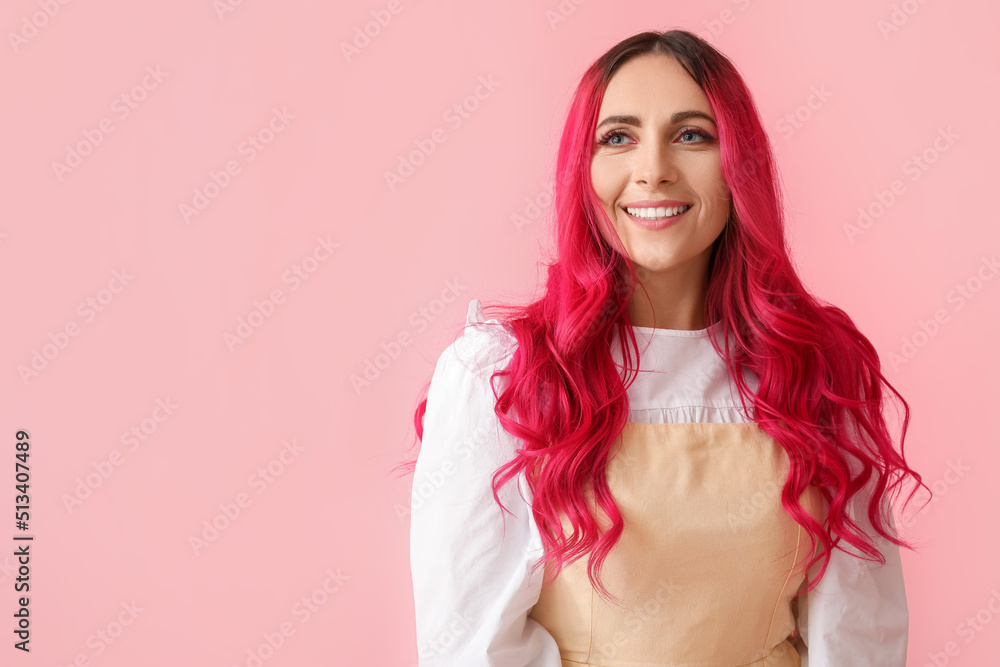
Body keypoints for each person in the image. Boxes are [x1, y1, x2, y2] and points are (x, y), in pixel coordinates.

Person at [399, 29, 929, 666]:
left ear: (739, 166)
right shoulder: (503, 379)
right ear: (582, 172)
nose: (653, 169)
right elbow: (471, 650)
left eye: (692, 135)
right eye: (617, 138)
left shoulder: (815, 372)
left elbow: (858, 638)